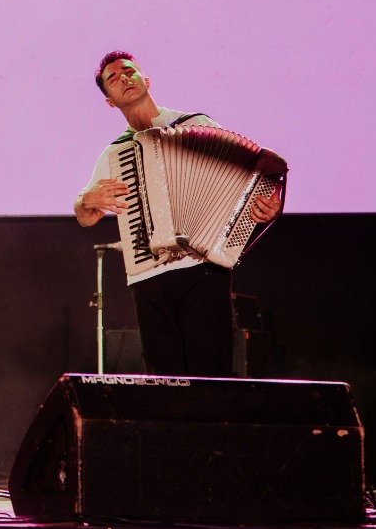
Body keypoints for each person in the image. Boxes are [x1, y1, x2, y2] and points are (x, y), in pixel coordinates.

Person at [73, 51, 281, 377]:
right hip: (147, 276)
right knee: (165, 383)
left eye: (129, 71)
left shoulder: (196, 126)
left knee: (211, 379)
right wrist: (87, 199)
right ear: (110, 102)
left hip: (204, 268)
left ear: (146, 80)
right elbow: (86, 217)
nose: (124, 78)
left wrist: (268, 205)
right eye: (113, 79)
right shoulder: (115, 154)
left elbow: (248, 181)